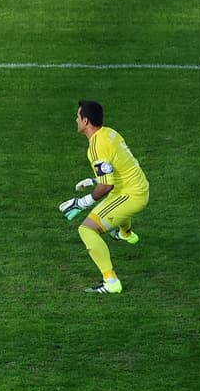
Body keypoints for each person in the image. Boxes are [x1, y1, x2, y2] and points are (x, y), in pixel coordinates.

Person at [59, 100, 150, 294]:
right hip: (135, 185)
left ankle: (111, 281)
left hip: (130, 194)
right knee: (112, 206)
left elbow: (107, 186)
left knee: (86, 230)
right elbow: (118, 168)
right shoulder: (110, 133)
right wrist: (93, 180)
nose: (75, 120)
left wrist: (81, 203)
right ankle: (125, 234)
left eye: (77, 117)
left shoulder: (95, 147)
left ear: (86, 121)